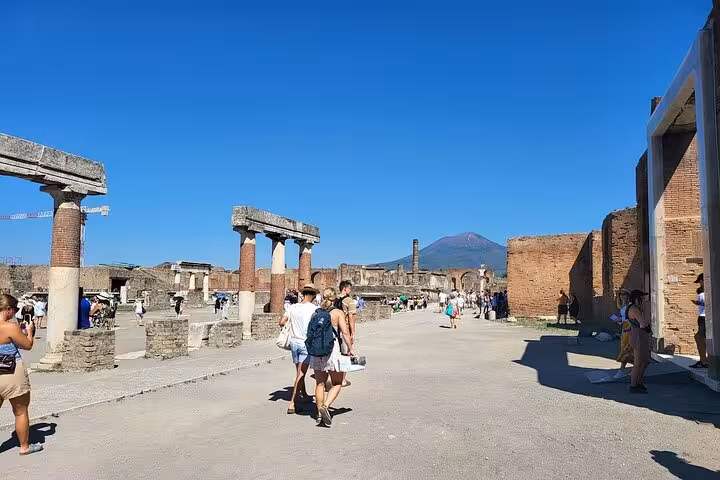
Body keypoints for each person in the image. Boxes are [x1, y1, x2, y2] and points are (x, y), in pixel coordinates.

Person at [0, 294, 43, 455]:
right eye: (15, 309)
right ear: (7, 309)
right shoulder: (10, 327)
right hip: (12, 373)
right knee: (20, 411)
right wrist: (30, 331)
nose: (15, 313)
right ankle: (24, 446)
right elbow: (28, 345)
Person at [309, 288, 354, 427]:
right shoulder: (338, 313)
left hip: (317, 351)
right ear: (335, 298)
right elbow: (345, 333)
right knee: (337, 382)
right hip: (332, 350)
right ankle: (325, 407)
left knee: (320, 383)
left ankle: (318, 414)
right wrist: (351, 348)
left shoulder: (316, 312)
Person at [279, 284, 319, 414]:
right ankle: (292, 403)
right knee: (301, 374)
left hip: (294, 343)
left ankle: (304, 394)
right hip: (305, 344)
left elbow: (282, 322)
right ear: (313, 295)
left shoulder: (292, 307)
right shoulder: (315, 309)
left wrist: (293, 325)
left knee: (299, 371)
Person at [627, 290, 651, 393]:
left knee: (644, 361)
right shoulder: (634, 309)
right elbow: (643, 323)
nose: (643, 300)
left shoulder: (632, 307)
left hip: (636, 334)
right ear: (637, 298)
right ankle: (633, 385)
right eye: (642, 298)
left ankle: (639, 382)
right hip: (638, 335)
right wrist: (648, 326)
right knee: (638, 362)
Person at [335, 280, 356, 388]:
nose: (350, 290)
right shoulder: (349, 301)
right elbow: (351, 318)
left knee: (335, 354)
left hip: (334, 329)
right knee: (346, 355)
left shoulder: (333, 299)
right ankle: (342, 380)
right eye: (349, 288)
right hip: (345, 329)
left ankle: (333, 377)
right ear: (345, 289)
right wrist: (353, 333)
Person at [613, 288, 633, 378]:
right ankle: (635, 369)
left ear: (628, 295)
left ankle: (621, 370)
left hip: (630, 329)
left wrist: (623, 320)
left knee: (626, 349)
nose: (622, 296)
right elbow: (624, 317)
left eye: (624, 294)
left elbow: (631, 318)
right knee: (627, 349)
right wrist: (619, 319)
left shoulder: (631, 306)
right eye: (620, 294)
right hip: (624, 328)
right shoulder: (622, 306)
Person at [690, 273, 708, 369]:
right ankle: (703, 360)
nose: (700, 284)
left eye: (701, 282)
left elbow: (708, 304)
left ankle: (704, 361)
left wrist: (699, 303)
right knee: (702, 338)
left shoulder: (706, 293)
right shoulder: (703, 293)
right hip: (702, 317)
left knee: (699, 337)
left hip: (704, 318)